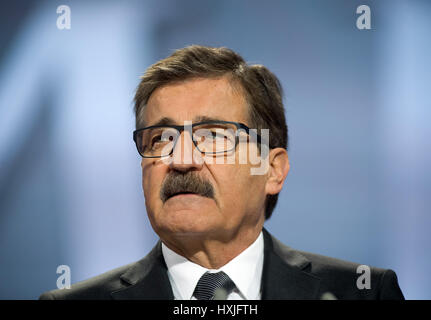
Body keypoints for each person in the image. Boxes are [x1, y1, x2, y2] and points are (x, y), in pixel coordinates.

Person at [40, 45, 404, 300]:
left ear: (272, 170)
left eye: (212, 136)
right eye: (161, 139)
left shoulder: (360, 294)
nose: (181, 160)